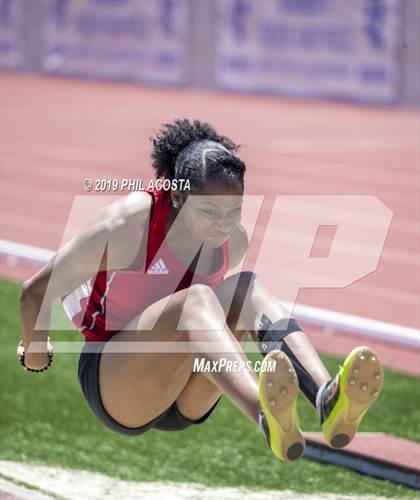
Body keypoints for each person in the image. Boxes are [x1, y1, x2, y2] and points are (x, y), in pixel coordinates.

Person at [17, 118, 383, 463]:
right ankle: (265, 413)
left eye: (233, 210)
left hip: (187, 393)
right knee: (196, 300)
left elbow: (213, 321)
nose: (223, 225)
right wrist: (36, 355)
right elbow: (34, 292)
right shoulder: (129, 223)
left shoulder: (232, 242)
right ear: (177, 197)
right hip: (114, 381)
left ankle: (325, 397)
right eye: (209, 211)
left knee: (246, 288)